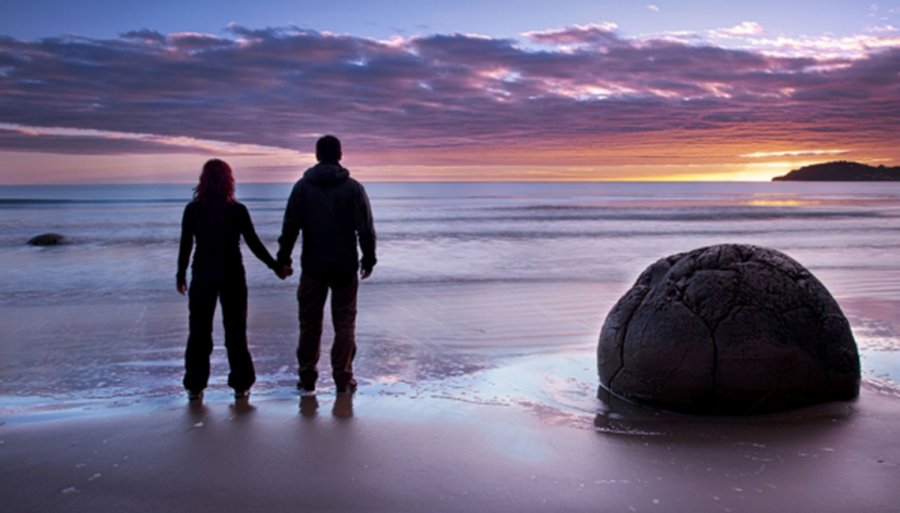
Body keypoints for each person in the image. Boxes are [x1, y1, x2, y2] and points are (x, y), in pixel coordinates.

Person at [177, 159, 283, 402]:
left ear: (203, 181)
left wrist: (180, 274)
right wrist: (276, 267)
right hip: (232, 275)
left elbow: (186, 246)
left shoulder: (193, 210)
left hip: (202, 275)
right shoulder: (237, 210)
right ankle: (241, 385)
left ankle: (195, 386)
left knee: (199, 333)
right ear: (229, 181)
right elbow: (254, 244)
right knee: (235, 332)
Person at [277, 135, 377, 395]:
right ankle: (343, 379)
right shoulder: (353, 188)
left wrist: (283, 258)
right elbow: (365, 228)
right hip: (344, 265)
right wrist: (369, 258)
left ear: (317, 155)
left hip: (313, 265)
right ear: (340, 155)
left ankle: (308, 378)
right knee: (344, 322)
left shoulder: (302, 187)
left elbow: (290, 226)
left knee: (310, 322)